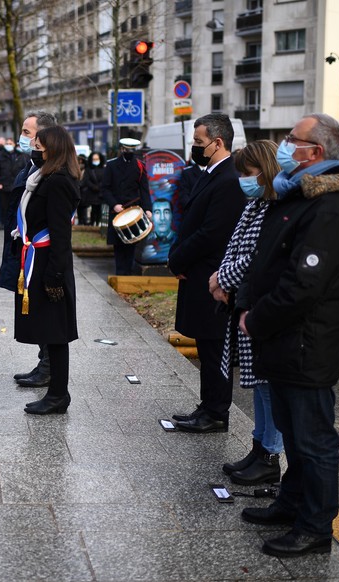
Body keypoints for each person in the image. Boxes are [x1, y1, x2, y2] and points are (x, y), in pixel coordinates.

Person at [237, 113, 339, 557]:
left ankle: (315, 527)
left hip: (307, 341)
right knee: (293, 433)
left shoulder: (329, 204)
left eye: (293, 139)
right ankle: (290, 503)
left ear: (316, 152)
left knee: (314, 440)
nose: (284, 145)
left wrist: (257, 317)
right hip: (286, 340)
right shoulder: (299, 192)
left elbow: (303, 283)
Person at [207, 140, 283, 485]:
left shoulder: (274, 206)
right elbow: (236, 246)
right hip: (245, 303)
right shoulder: (257, 202)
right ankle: (258, 447)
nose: (243, 179)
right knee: (256, 384)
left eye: (248, 173)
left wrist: (223, 277)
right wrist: (221, 279)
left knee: (267, 385)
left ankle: (269, 455)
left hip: (261, 304)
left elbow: (256, 256)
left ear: (264, 170)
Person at [168, 113, 246, 433]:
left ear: (218, 143)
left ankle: (216, 412)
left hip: (211, 275)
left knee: (215, 348)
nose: (194, 147)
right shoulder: (210, 172)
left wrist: (179, 260)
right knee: (205, 344)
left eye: (199, 142)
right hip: (198, 272)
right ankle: (207, 404)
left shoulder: (228, 179)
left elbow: (212, 233)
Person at [11, 125, 81, 414]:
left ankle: (58, 395)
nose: (34, 151)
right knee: (50, 330)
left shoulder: (60, 181)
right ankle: (55, 392)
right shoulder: (43, 178)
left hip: (51, 264)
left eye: (38, 147)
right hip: (39, 260)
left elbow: (61, 233)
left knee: (56, 332)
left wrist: (54, 275)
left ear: (52, 149)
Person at [0, 111, 58, 388]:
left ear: (43, 137)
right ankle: (43, 363)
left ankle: (48, 368)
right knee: (33, 309)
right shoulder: (31, 166)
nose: (21, 138)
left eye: (26, 132)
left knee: (43, 310)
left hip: (40, 253)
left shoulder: (51, 170)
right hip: (25, 247)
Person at [101, 138, 152, 275]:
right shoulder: (111, 165)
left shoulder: (140, 166)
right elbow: (105, 189)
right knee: (118, 246)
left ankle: (128, 274)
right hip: (117, 210)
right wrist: (114, 204)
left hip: (133, 212)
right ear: (122, 149)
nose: (129, 152)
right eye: (127, 149)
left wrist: (147, 209)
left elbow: (144, 190)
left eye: (132, 150)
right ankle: (119, 273)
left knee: (132, 244)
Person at [0, 137, 26, 230]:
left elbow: (24, 169)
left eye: (10, 143)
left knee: (16, 206)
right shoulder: (0, 156)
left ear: (14, 144)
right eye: (7, 143)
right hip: (4, 185)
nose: (8, 145)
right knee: (4, 206)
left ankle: (15, 223)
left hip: (16, 185)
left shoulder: (20, 155)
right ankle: (3, 223)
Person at [80, 152, 105, 225]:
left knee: (99, 208)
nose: (95, 160)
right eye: (94, 159)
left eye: (97, 159)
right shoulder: (89, 169)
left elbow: (105, 179)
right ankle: (92, 222)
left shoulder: (104, 169)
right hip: (91, 192)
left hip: (100, 192)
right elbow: (86, 180)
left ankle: (97, 222)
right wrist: (93, 186)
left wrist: (99, 186)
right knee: (93, 208)